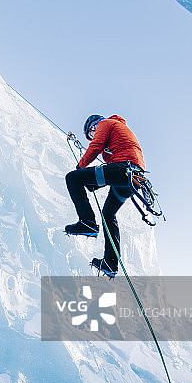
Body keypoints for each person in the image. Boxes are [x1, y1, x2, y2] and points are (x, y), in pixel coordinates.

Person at [65, 114, 145, 277]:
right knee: (108, 214)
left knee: (72, 178)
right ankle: (110, 263)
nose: (92, 135)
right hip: (132, 178)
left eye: (91, 132)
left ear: (94, 125)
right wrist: (91, 182)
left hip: (123, 169)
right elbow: (107, 172)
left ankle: (87, 222)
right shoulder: (118, 130)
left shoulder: (106, 123)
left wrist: (80, 167)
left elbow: (95, 146)